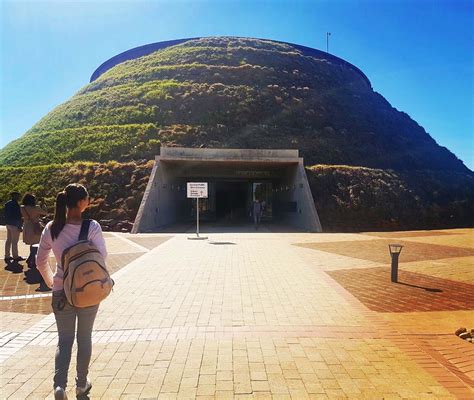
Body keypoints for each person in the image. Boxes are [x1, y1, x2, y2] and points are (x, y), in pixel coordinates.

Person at [36, 184, 107, 400]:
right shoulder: (91, 226)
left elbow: (40, 261)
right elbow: (102, 257)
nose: (89, 202)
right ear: (81, 202)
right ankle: (81, 385)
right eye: (87, 199)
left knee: (64, 340)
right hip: (88, 292)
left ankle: (59, 387)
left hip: (62, 292)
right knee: (84, 338)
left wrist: (52, 282)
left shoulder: (51, 228)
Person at [4, 191, 24, 264]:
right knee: (14, 241)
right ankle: (15, 256)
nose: (19, 197)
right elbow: (18, 216)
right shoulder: (16, 205)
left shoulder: (7, 204)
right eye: (18, 196)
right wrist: (19, 226)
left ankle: (7, 255)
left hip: (8, 224)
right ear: (15, 196)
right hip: (15, 224)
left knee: (8, 240)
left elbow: (5, 214)